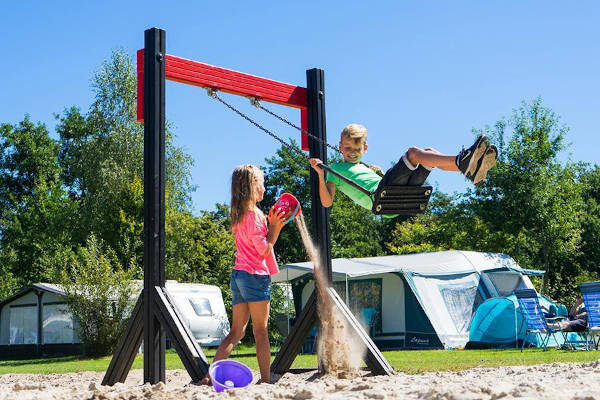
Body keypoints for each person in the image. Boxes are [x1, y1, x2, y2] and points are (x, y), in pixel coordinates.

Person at [202, 165, 287, 385]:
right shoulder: (255, 215)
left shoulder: (238, 213)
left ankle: (209, 377)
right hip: (255, 276)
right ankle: (267, 380)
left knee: (236, 332)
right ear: (251, 186)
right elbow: (264, 250)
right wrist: (275, 227)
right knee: (261, 331)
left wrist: (269, 226)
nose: (265, 187)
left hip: (238, 275)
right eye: (261, 182)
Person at [309, 123, 498, 213]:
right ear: (340, 146)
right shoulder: (333, 170)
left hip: (397, 196)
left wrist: (376, 171)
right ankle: (461, 161)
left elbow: (367, 175)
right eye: (347, 148)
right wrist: (320, 175)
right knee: (413, 153)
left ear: (365, 149)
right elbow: (326, 203)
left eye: (357, 149)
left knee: (429, 153)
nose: (351, 152)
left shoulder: (365, 167)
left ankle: (468, 169)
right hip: (382, 196)